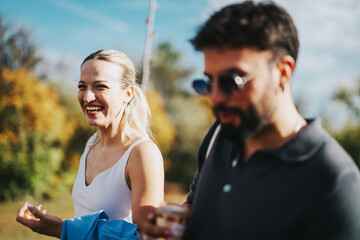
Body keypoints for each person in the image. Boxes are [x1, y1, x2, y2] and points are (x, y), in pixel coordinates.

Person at [141, 1, 360, 239]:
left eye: (230, 81)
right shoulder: (220, 133)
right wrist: (168, 226)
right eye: (209, 82)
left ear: (283, 72)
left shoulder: (334, 182)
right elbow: (197, 210)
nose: (215, 98)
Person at [16, 49, 164, 238]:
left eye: (100, 86)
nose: (87, 97)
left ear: (128, 94)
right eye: (82, 86)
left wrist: (63, 229)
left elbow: (148, 236)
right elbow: (87, 217)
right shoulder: (91, 143)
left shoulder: (142, 153)